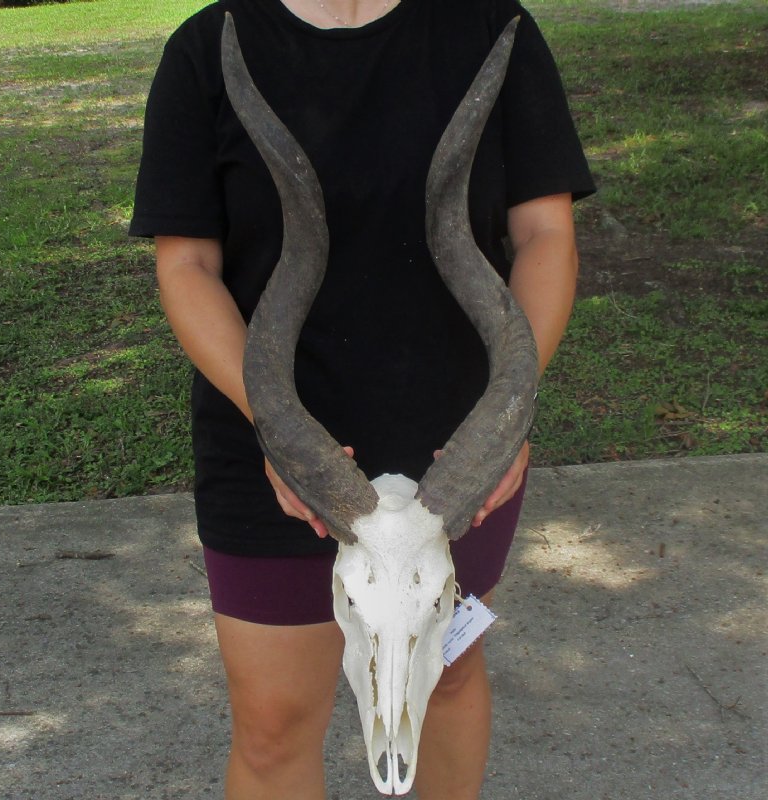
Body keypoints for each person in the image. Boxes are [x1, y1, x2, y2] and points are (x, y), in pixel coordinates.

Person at [130, 0, 595, 797]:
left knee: (438, 683)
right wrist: (278, 433)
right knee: (274, 723)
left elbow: (544, 236)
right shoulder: (207, 49)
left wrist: (507, 411)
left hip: (459, 452)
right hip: (269, 448)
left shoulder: (489, 29)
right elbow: (188, 269)